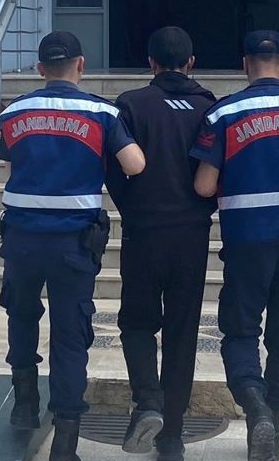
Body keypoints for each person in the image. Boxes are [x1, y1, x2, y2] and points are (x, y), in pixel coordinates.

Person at [0, 31, 146, 461]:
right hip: (73, 244)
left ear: (39, 69)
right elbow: (135, 164)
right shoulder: (102, 112)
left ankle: (25, 404)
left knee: (21, 315)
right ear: (81, 65)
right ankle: (64, 443)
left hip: (21, 239)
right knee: (70, 335)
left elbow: (10, 158)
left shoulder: (14, 112)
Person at [190, 30, 279, 461]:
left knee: (241, 329)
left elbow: (204, 186)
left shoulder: (223, 114)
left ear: (245, 64)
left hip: (247, 239)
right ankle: (276, 423)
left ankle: (256, 410)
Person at [104, 26, 217, 461]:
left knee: (136, 322)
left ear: (150, 63)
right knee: (182, 331)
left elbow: (113, 168)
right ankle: (172, 438)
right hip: (192, 234)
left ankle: (148, 400)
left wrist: (131, 209)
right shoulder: (208, 107)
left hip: (144, 231)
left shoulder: (131, 104)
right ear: (191, 63)